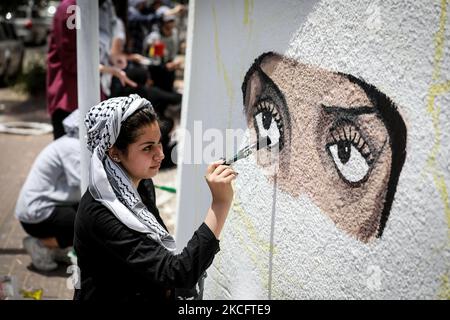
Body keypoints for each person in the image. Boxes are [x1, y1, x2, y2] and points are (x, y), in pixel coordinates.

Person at [74, 94, 237, 301]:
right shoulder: (102, 212)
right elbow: (177, 273)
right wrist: (220, 203)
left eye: (159, 143)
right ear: (114, 153)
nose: (160, 154)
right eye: (147, 147)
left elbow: (159, 258)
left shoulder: (140, 184)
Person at [15, 111, 81, 271]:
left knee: (86, 214)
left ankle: (55, 248)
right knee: (87, 222)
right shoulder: (72, 146)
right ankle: (41, 245)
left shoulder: (69, 142)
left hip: (39, 209)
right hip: (37, 214)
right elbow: (84, 183)